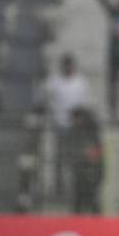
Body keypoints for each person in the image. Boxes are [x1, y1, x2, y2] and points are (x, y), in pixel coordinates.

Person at [41, 53, 91, 196]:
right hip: (60, 125)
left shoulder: (80, 83)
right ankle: (59, 186)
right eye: (66, 65)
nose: (68, 68)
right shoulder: (54, 82)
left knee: (76, 158)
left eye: (70, 65)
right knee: (59, 158)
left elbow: (84, 105)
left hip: (76, 128)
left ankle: (75, 187)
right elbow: (45, 97)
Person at [69, 107, 104, 214]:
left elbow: (95, 154)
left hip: (90, 173)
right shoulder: (76, 132)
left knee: (91, 200)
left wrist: (92, 169)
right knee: (79, 201)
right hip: (81, 172)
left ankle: (97, 222)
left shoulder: (90, 134)